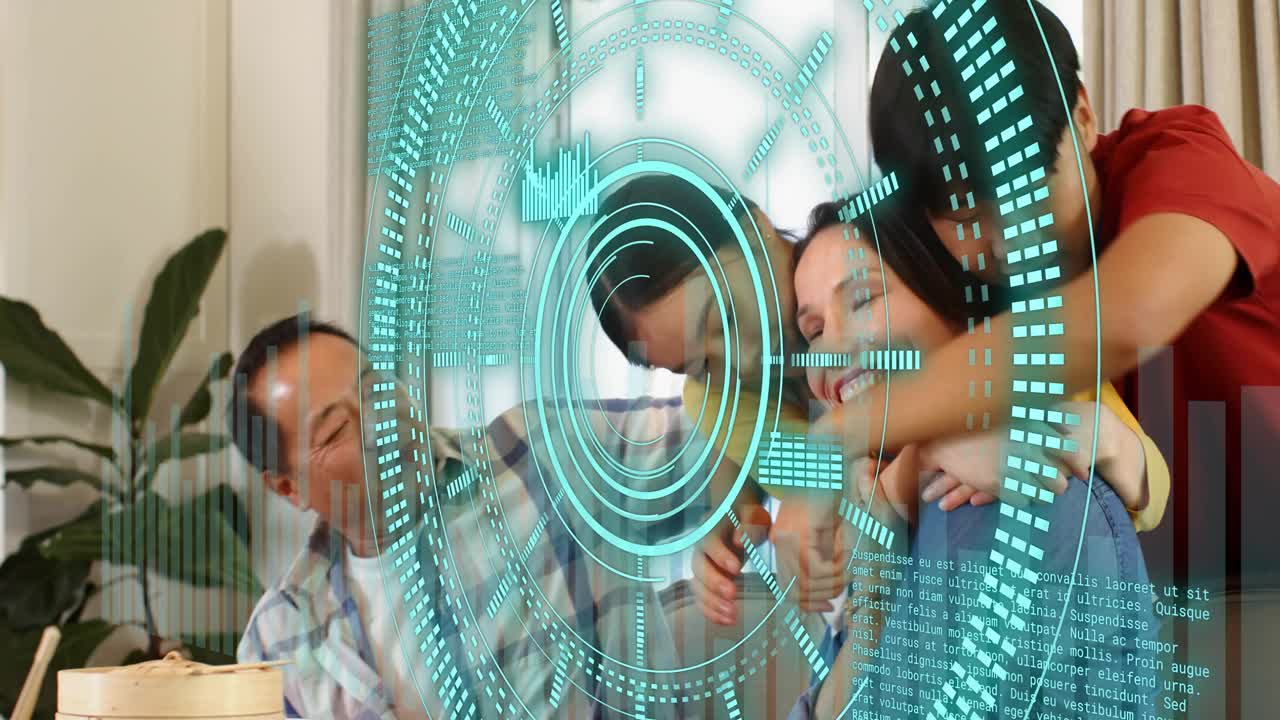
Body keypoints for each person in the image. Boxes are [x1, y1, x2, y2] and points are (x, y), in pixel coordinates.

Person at [835, 0, 1279, 592]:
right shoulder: (956, 295)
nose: (1005, 245)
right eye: (967, 221)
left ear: (1085, 117)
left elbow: (1127, 315)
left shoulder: (1182, 159)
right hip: (1167, 615)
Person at [786, 203, 1160, 718]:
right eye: (813, 331)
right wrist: (911, 469)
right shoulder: (868, 478)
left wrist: (1113, 441)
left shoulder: (1042, 442)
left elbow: (1142, 482)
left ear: (946, 286)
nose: (831, 348)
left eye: (863, 298)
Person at [227, 314, 694, 719]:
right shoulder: (279, 641)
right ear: (289, 487)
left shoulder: (540, 457)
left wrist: (728, 502)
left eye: (373, 386)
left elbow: (725, 438)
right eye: (337, 428)